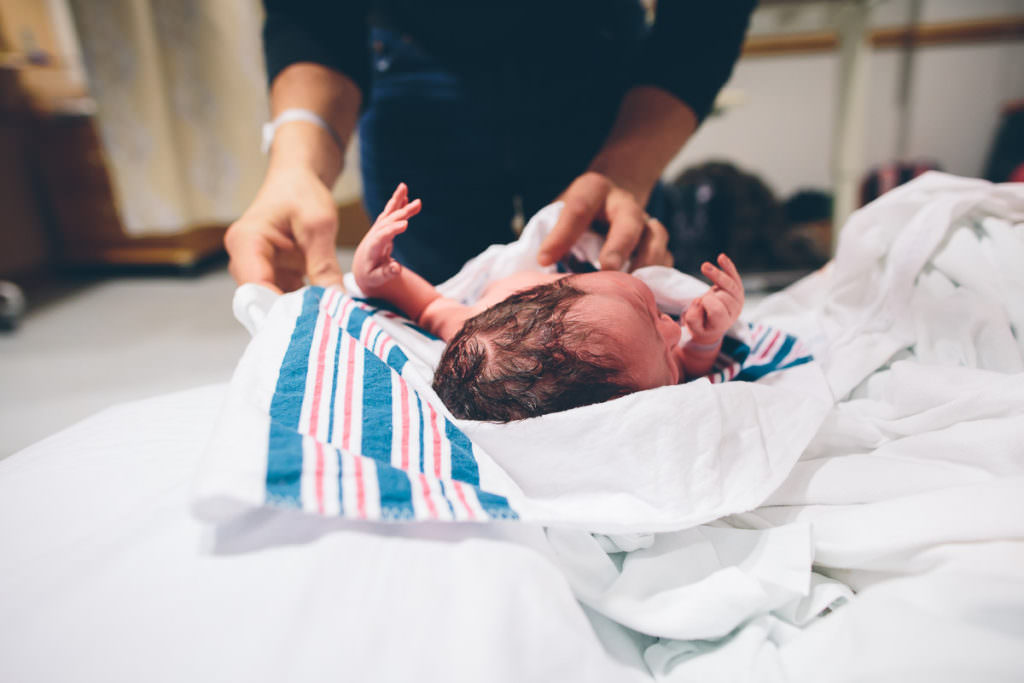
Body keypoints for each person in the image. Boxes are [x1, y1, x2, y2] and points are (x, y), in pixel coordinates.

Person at [226, 1, 756, 291]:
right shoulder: (459, 320)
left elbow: (704, 25)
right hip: (411, 47)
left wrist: (627, 172)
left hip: (594, 42)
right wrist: (297, 165)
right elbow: (313, 17)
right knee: (432, 268)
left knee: (619, 251)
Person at [354, 184, 745, 421]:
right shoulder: (641, 365)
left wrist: (379, 275)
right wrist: (705, 341)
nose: (675, 328)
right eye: (668, 364)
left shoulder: (483, 317)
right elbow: (689, 366)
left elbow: (426, 306)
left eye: (655, 312)